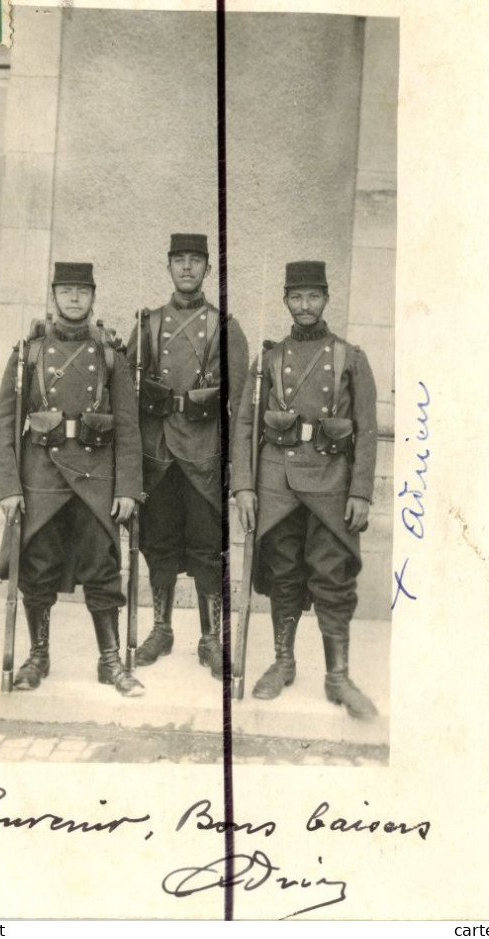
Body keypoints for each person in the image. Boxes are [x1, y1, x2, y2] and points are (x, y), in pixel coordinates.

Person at [232, 260, 379, 719]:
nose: (305, 306)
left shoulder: (351, 357)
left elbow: (368, 429)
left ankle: (337, 676)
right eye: (296, 297)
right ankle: (282, 662)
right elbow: (244, 425)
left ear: (326, 298)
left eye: (313, 296)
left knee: (333, 577)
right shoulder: (268, 361)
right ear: (285, 302)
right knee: (284, 575)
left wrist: (361, 492)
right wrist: (243, 487)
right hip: (277, 484)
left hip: (333, 484)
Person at [0, 261, 144, 697]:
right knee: (36, 569)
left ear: (93, 297)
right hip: (41, 477)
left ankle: (110, 659)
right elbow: (5, 424)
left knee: (103, 569)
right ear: (53, 296)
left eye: (83, 291)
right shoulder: (29, 353)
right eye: (67, 291)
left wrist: (128, 488)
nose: (74, 298)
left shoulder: (112, 357)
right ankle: (38, 655)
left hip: (96, 480)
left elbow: (129, 429)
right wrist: (8, 488)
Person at [127, 233, 249, 679]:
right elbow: (126, 392)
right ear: (168, 267)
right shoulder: (148, 323)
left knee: (206, 549)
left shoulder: (226, 327)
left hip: (203, 456)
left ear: (207, 270)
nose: (186, 269)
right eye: (179, 260)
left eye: (195, 261)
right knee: (157, 545)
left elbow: (240, 405)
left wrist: (234, 466)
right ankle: (161, 629)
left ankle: (211, 638)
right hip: (159, 456)